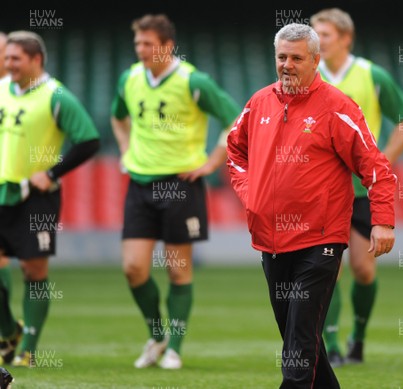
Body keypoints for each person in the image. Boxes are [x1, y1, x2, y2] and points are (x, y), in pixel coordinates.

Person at [226, 23, 397, 388]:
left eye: (296, 58)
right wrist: (250, 192)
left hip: (320, 241)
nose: (287, 65)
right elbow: (235, 151)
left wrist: (383, 220)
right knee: (300, 339)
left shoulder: (337, 107)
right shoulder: (259, 103)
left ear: (316, 60)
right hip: (270, 240)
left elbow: (375, 166)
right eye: (281, 57)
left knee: (298, 345)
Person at [110, 14, 241, 369]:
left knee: (177, 270)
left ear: (167, 46)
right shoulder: (130, 78)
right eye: (137, 43)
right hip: (139, 182)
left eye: (147, 43)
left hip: (181, 185)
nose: (140, 50)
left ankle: (175, 349)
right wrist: (125, 151)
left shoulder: (193, 81)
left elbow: (236, 119)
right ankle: (157, 336)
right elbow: (117, 117)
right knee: (134, 267)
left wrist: (212, 162)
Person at [310, 7, 403, 366]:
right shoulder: (308, 75)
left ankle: (358, 336)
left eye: (324, 34)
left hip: (362, 192)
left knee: (364, 269)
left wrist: (381, 160)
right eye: (314, 33)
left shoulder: (372, 75)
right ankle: (332, 345)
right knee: (330, 268)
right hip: (324, 189)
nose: (318, 40)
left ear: (345, 38)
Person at [0, 31, 100, 367]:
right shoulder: (2, 89)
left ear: (36, 60)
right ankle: (7, 331)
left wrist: (52, 174)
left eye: (15, 58)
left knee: (33, 269)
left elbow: (88, 141)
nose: (8, 64)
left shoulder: (56, 96)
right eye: (7, 58)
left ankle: (28, 346)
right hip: (2, 193)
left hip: (36, 198)